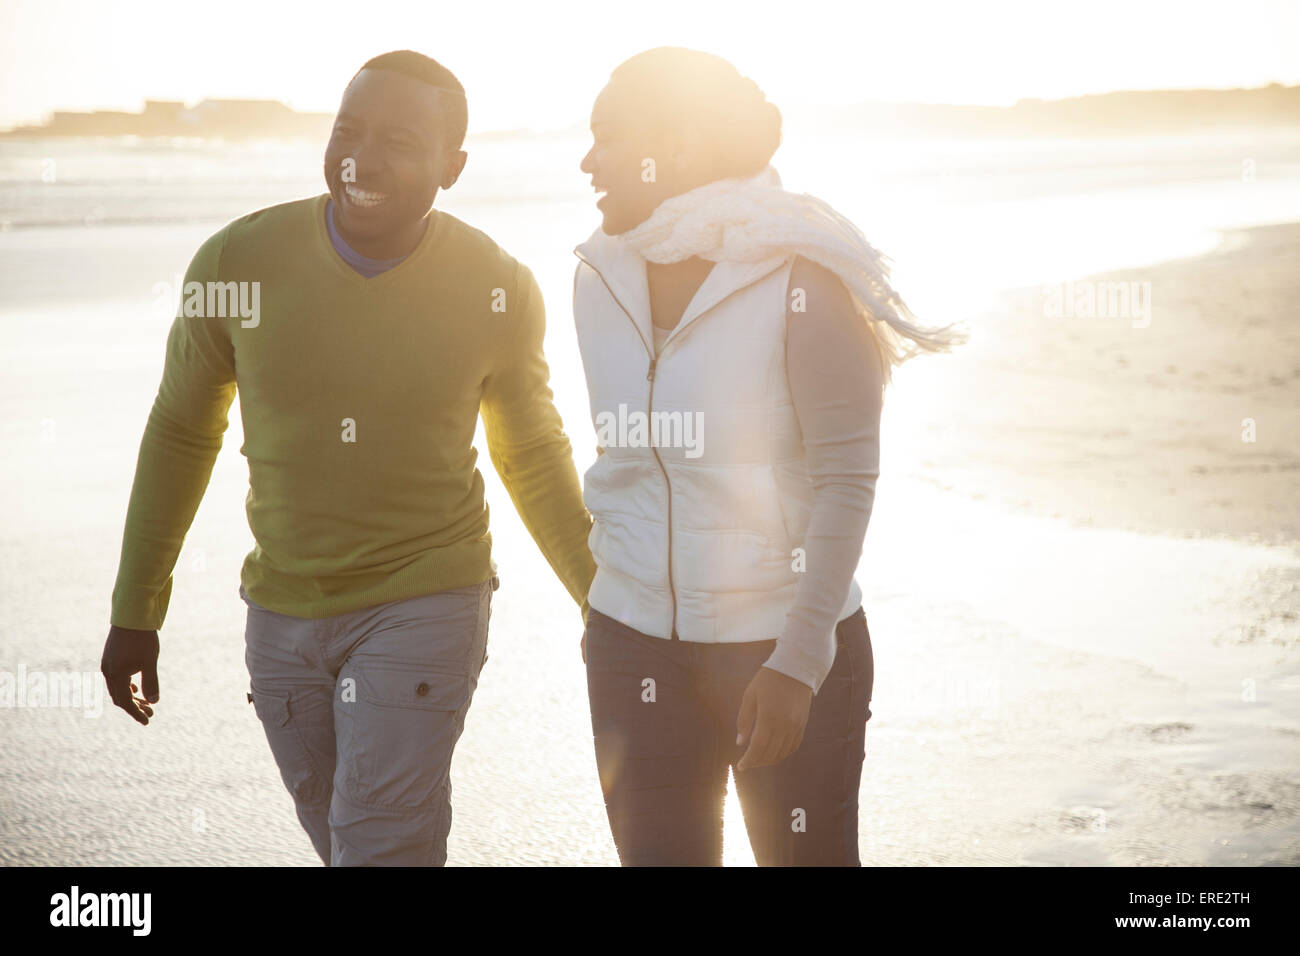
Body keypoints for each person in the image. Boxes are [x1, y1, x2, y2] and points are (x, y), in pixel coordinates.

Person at [99, 50, 596, 866]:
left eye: (400, 141)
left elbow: (530, 452)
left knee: (379, 845)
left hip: (426, 596)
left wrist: (597, 598)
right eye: (348, 130)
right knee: (341, 841)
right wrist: (134, 610)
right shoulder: (236, 265)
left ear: (452, 166)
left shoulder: (496, 286)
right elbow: (181, 432)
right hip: (282, 614)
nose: (361, 157)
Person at [574, 47, 965, 866]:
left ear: (676, 143)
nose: (588, 161)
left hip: (779, 649)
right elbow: (624, 463)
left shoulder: (800, 272)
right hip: (632, 645)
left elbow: (846, 478)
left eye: (607, 138)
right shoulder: (598, 271)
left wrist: (799, 660)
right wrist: (608, 610)